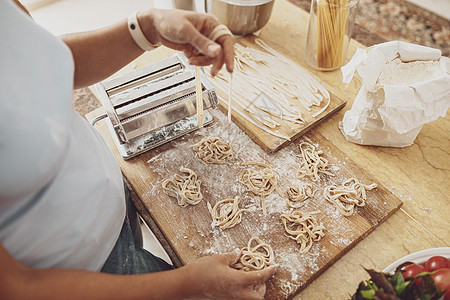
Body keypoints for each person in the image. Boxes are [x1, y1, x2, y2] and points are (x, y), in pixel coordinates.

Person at [0, 0, 276, 299]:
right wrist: (189, 284)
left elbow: (38, 65)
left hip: (112, 204)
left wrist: (147, 27)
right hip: (77, 274)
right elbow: (16, 288)